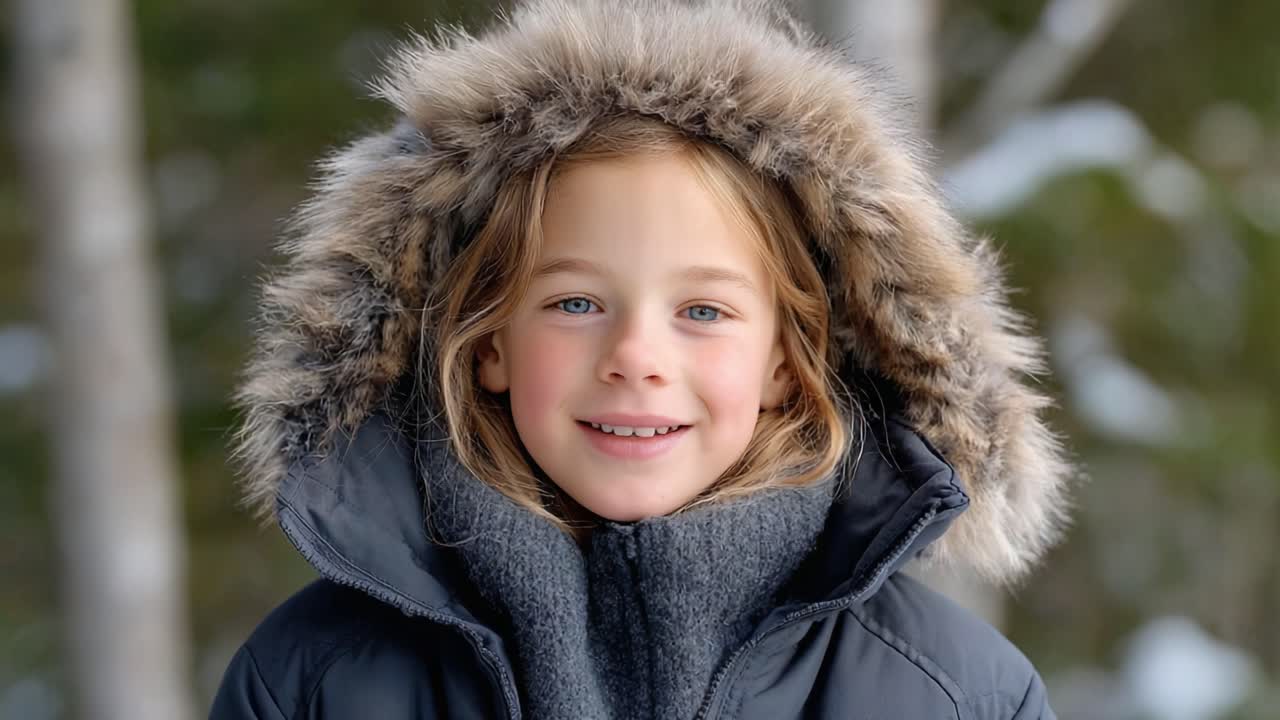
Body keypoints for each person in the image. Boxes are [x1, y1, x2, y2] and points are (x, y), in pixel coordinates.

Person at [211, 0, 1075, 717]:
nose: (635, 357)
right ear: (487, 345)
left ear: (786, 360)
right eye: (575, 304)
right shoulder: (314, 679)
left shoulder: (957, 692)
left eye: (702, 310)